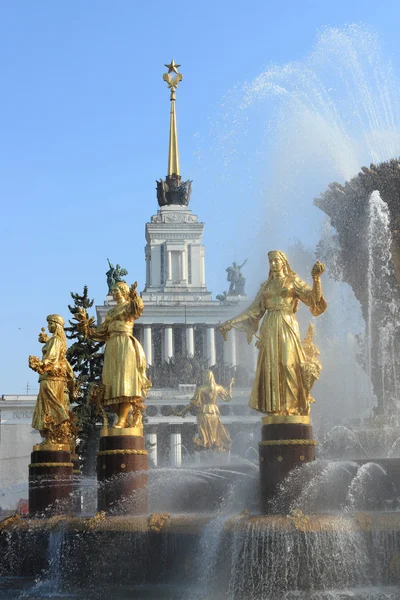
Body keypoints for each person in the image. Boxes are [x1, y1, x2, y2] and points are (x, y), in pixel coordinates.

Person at [218, 251, 327, 416]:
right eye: (271, 261)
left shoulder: (292, 281)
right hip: (269, 326)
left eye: (276, 261)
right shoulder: (266, 286)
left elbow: (313, 299)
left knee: (288, 364)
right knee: (272, 367)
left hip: (287, 323)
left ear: (283, 262)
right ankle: (277, 409)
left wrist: (316, 279)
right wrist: (231, 322)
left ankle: (294, 406)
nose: (274, 264)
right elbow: (253, 311)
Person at [77, 281, 151, 428]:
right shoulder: (110, 312)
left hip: (125, 344)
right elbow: (99, 333)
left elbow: (138, 308)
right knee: (111, 385)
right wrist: (85, 326)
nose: (114, 292)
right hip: (112, 346)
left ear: (124, 291)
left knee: (125, 383)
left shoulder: (129, 306)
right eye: (113, 290)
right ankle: (124, 419)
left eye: (117, 290)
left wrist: (135, 295)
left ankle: (122, 420)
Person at [29, 314, 74, 446]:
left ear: (58, 325)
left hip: (51, 379)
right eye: (48, 324)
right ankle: (51, 437)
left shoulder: (56, 341)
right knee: (48, 406)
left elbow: (52, 358)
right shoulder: (55, 340)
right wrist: (47, 341)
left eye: (51, 324)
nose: (49, 326)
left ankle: (52, 438)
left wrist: (41, 364)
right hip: (51, 379)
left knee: (49, 407)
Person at [178, 370, 234, 451]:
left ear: (205, 377)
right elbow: (228, 398)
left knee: (204, 434)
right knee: (214, 434)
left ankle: (204, 444)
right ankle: (214, 446)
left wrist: (183, 411)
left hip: (203, 413)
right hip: (214, 413)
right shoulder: (219, 388)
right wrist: (230, 385)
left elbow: (194, 403)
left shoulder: (200, 389)